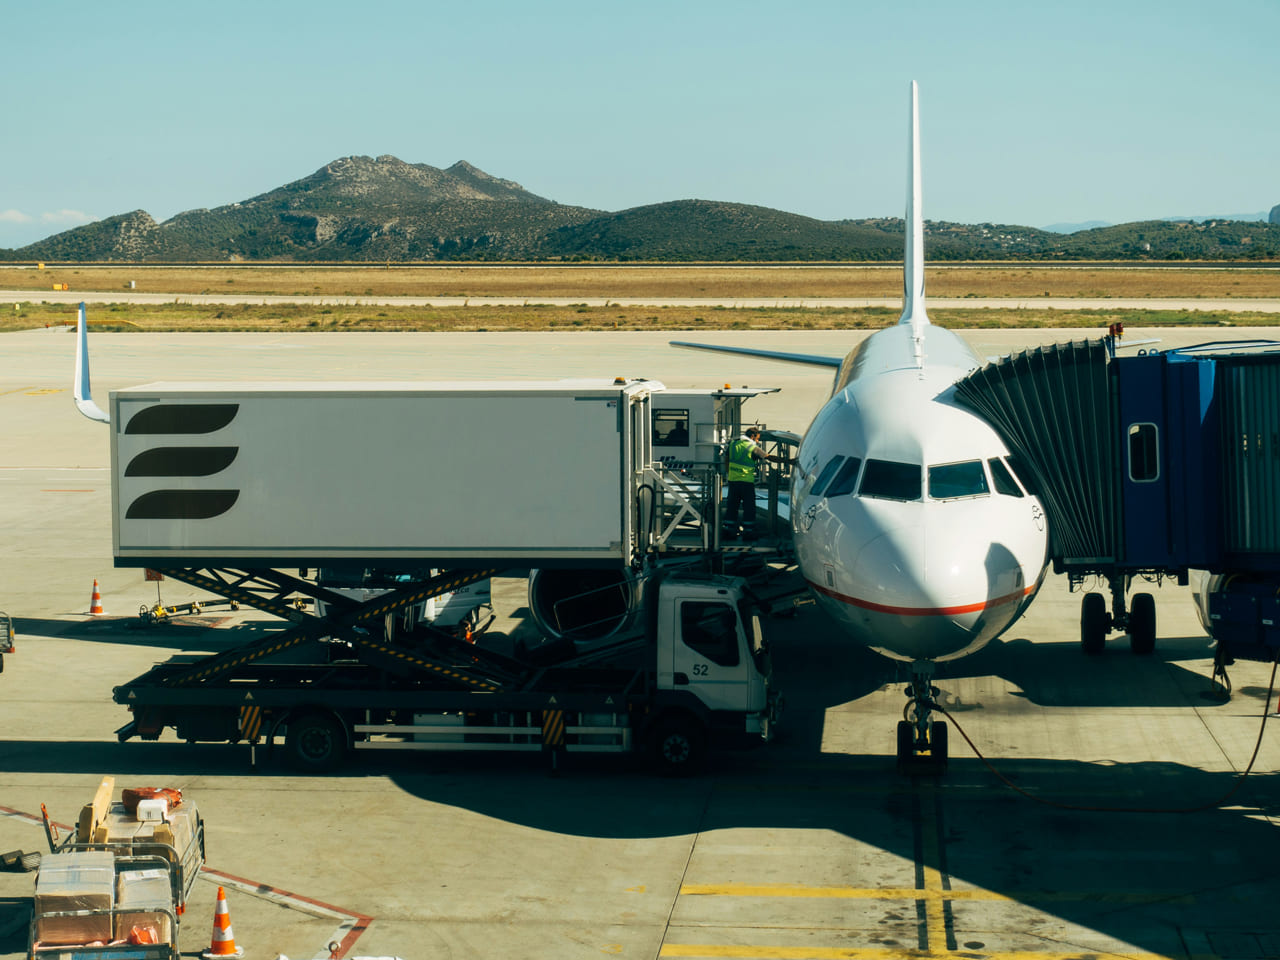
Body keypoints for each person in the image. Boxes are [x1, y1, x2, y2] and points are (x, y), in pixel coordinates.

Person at [724, 426, 780, 540]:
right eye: (758, 439)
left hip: (733, 481)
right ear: (753, 436)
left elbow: (726, 459)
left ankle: (729, 530)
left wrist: (729, 472)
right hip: (746, 482)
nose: (758, 441)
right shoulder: (752, 447)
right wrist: (789, 461)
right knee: (749, 508)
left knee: (732, 506)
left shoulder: (733, 444)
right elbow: (769, 457)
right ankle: (748, 532)